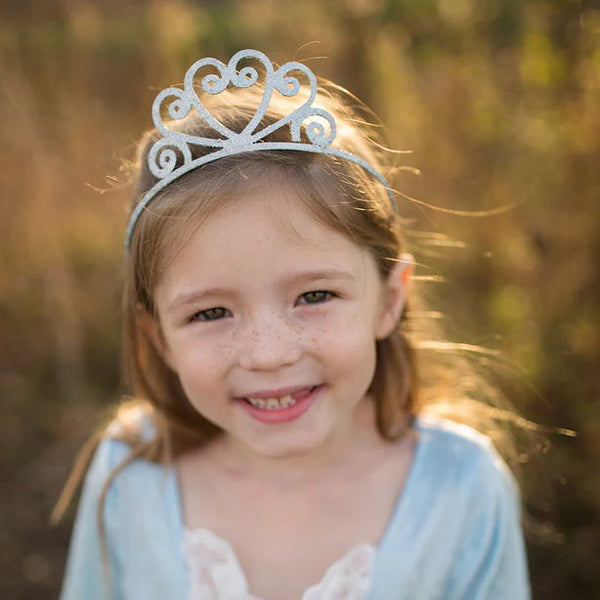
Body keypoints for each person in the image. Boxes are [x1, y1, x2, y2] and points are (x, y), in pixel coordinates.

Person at [54, 49, 531, 599]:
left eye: (315, 295)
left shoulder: (459, 485)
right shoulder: (130, 473)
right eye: (210, 312)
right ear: (160, 336)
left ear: (387, 300)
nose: (269, 353)